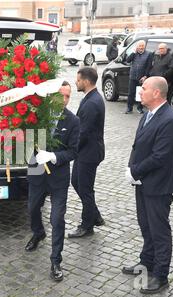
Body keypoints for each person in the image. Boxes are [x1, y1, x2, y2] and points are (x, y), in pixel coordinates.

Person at [123, 76, 173, 294]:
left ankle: (161, 275)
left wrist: (135, 170)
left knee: (159, 231)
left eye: (144, 88)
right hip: (143, 182)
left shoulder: (170, 120)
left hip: (158, 187)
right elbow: (138, 144)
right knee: (145, 226)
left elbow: (160, 157)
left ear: (157, 93)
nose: (140, 91)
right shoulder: (148, 114)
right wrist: (132, 168)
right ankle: (146, 262)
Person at [25, 81, 80, 282]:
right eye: (61, 95)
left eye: (68, 96)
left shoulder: (73, 121)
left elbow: (73, 151)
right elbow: (26, 138)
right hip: (37, 172)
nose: (64, 100)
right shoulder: (39, 115)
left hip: (58, 177)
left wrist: (53, 156)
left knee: (57, 218)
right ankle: (38, 233)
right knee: (32, 208)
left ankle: (56, 260)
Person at [68, 67, 105, 238]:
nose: (76, 82)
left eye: (78, 79)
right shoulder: (90, 98)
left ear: (86, 81)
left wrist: (70, 149)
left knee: (86, 189)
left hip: (88, 153)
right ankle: (95, 215)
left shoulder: (92, 103)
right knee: (76, 182)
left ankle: (87, 226)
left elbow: (84, 132)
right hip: (85, 152)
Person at [125, 40, 153, 114]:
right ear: (137, 46)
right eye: (139, 46)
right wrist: (133, 52)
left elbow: (149, 66)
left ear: (144, 46)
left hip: (142, 78)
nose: (141, 47)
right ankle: (129, 108)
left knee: (141, 93)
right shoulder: (134, 54)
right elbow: (128, 60)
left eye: (142, 46)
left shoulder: (148, 54)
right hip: (133, 76)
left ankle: (140, 108)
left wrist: (145, 76)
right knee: (131, 93)